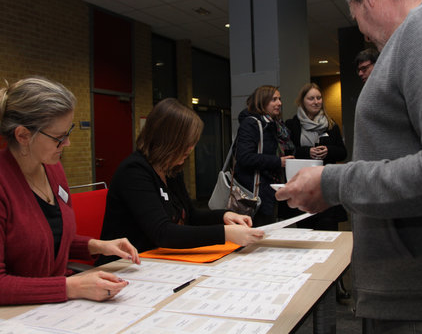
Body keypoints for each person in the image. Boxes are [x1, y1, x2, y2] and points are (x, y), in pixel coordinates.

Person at [277, 0, 422, 332]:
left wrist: (332, 184)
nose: (365, 33)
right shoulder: (420, 34)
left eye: (356, 16)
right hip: (418, 299)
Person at [0, 77, 140, 306]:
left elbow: (44, 239)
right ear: (23, 136)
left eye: (69, 132)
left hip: (55, 308)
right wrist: (69, 287)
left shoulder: (53, 169)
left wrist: (96, 245)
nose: (67, 144)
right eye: (59, 137)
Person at [97, 98, 264, 265]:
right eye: (186, 143)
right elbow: (162, 233)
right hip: (124, 266)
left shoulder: (170, 169)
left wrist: (224, 216)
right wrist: (225, 233)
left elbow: (190, 216)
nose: (190, 148)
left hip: (161, 260)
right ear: (167, 140)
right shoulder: (134, 171)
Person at [284, 82, 349, 301]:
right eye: (311, 98)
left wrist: (327, 150)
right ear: (302, 101)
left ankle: (336, 284)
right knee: (307, 239)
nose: (316, 102)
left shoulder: (331, 124)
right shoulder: (292, 125)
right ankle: (310, 286)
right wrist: (307, 151)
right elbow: (288, 150)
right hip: (303, 190)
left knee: (328, 238)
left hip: (327, 189)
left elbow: (342, 152)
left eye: (319, 98)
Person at [234, 86, 294, 226]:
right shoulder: (251, 123)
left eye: (279, 99)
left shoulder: (275, 126)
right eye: (274, 99)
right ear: (262, 102)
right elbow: (244, 157)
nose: (279, 103)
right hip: (253, 193)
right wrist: (278, 161)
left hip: (268, 191)